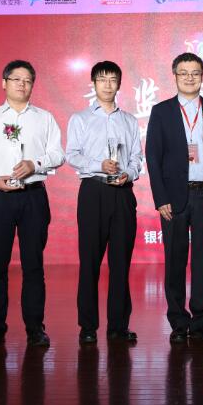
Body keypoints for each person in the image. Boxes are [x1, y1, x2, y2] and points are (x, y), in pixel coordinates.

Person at [0, 60, 64, 348]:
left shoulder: (44, 118)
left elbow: (58, 154)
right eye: (16, 79)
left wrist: (35, 164)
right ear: (4, 83)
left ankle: (35, 327)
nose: (22, 84)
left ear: (33, 85)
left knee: (34, 265)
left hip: (33, 196)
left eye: (27, 80)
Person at [145, 52, 203, 343]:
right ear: (174, 76)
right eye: (183, 73)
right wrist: (160, 198)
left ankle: (201, 321)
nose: (189, 78)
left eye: (195, 73)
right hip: (173, 197)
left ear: (202, 76)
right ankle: (177, 321)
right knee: (174, 259)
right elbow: (152, 156)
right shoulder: (161, 111)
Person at [66, 61, 142, 344]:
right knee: (90, 262)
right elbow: (72, 155)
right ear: (93, 83)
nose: (108, 85)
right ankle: (87, 327)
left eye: (113, 80)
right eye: (102, 79)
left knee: (121, 263)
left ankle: (118, 326)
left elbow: (137, 158)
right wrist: (98, 165)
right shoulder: (80, 119)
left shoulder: (129, 120)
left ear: (119, 84)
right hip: (93, 192)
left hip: (122, 193)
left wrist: (127, 174)